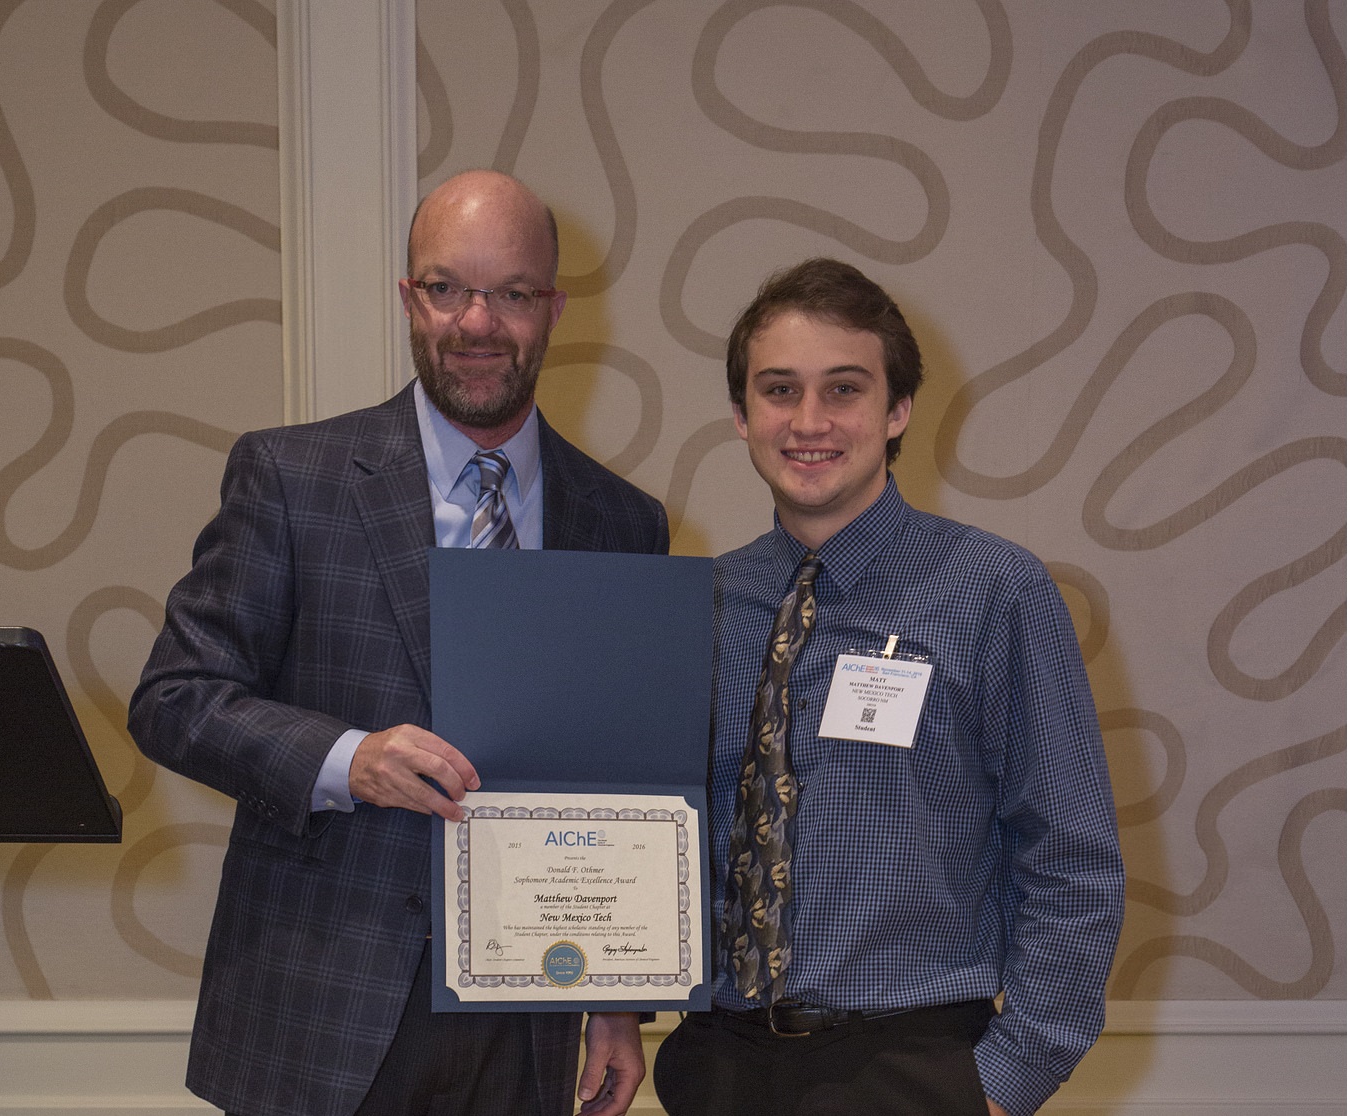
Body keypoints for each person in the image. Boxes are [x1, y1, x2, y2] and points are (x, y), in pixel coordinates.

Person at [128, 170, 665, 1116]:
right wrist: (349, 758)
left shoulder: (622, 521)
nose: (477, 323)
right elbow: (174, 698)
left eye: (512, 293)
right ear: (409, 297)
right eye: (447, 287)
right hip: (320, 1011)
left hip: (526, 1019)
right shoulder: (291, 476)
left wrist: (618, 1003)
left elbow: (619, 772)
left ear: (554, 307)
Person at [653, 258, 1125, 1116]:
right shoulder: (700, 607)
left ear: (896, 409)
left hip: (911, 1071)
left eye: (843, 389)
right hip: (718, 1066)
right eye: (778, 390)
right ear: (741, 414)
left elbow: (1073, 861)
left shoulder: (993, 591)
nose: (808, 421)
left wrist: (1002, 1085)